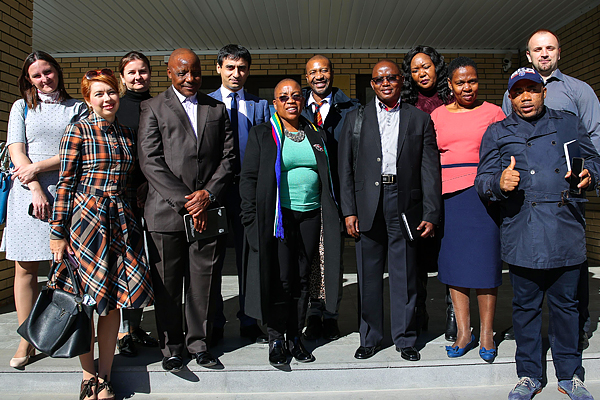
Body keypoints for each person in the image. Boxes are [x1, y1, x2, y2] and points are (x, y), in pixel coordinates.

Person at [476, 67, 597, 400]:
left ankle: (570, 375)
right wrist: (498, 183)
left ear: (544, 92)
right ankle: (529, 375)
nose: (525, 97)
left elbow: (594, 160)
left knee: (566, 308)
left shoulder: (569, 122)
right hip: (523, 228)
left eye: (531, 90)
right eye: (518, 92)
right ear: (510, 97)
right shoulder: (498, 132)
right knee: (525, 308)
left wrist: (590, 174)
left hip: (565, 227)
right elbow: (481, 181)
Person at [49, 68, 153, 400]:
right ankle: (87, 376)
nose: (107, 98)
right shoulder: (76, 131)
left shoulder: (126, 133)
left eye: (111, 92)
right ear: (88, 99)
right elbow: (65, 184)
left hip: (122, 224)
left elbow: (134, 180)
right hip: (86, 225)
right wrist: (57, 234)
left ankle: (105, 377)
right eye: (99, 94)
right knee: (85, 303)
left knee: (112, 305)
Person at [137, 48, 234, 372]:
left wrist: (207, 194)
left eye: (195, 72)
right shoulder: (151, 107)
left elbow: (229, 158)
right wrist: (187, 201)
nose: (190, 78)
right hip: (166, 214)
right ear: (169, 73)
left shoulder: (217, 108)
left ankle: (200, 345)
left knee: (204, 283)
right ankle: (173, 348)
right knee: (167, 285)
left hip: (208, 210)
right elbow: (150, 160)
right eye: (183, 73)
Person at [502, 29, 600, 348]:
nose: (544, 53)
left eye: (550, 48)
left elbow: (594, 139)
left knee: (572, 261)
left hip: (566, 192)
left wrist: (589, 173)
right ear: (528, 56)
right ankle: (527, 327)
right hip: (528, 193)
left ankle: (578, 325)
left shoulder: (579, 91)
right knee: (528, 259)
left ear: (559, 53)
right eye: (537, 49)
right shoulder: (512, 93)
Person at [338, 60, 441, 362]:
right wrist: (348, 211)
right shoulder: (355, 119)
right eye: (379, 79)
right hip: (367, 204)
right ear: (372, 84)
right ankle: (369, 337)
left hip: (404, 203)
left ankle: (405, 338)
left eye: (391, 78)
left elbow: (429, 169)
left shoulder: (419, 119)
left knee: (405, 274)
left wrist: (431, 212)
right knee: (369, 276)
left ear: (400, 82)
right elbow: (344, 169)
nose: (385, 83)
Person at [240, 78, 342, 366]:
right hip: (279, 218)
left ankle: (295, 337)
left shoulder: (315, 133)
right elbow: (248, 180)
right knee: (281, 279)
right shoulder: (263, 134)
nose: (291, 101)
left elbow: (327, 174)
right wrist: (250, 220)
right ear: (275, 103)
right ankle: (276, 338)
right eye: (284, 97)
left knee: (300, 278)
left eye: (296, 96)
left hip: (310, 215)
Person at [1, 51, 87, 369]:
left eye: (48, 72)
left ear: (57, 72)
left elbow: (74, 151)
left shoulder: (76, 107)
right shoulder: (21, 106)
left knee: (66, 267)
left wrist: (36, 168)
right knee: (25, 270)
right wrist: (35, 187)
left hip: (65, 193)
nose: (44, 79)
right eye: (36, 75)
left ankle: (66, 328)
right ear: (28, 79)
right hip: (27, 195)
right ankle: (28, 338)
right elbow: (15, 149)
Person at [430, 57, 505, 361]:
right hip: (449, 200)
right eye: (460, 82)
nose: (467, 87)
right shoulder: (437, 115)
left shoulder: (494, 113)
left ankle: (486, 333)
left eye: (472, 81)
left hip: (484, 199)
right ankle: (464, 332)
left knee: (486, 267)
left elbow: (505, 152)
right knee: (455, 268)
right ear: (449, 85)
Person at [208, 44, 270, 345]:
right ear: (219, 68)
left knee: (249, 259)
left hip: (248, 195)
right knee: (213, 260)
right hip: (215, 193)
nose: (236, 73)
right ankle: (215, 321)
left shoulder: (260, 106)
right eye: (230, 67)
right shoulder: (205, 104)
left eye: (242, 68)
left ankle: (249, 319)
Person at [301, 54, 360, 341]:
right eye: (313, 72)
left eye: (324, 70)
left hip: (337, 192)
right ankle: (313, 311)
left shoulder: (351, 109)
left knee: (332, 254)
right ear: (307, 76)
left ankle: (332, 313)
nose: (319, 76)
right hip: (305, 194)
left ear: (332, 74)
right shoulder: (295, 106)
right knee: (311, 253)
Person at [401, 45, 455, 340]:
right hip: (417, 191)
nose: (422, 73)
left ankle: (453, 312)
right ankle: (419, 311)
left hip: (450, 186)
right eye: (415, 69)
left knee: (449, 252)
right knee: (417, 256)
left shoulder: (452, 100)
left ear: (437, 68)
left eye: (427, 66)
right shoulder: (406, 103)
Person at [114, 50, 159, 357]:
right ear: (123, 77)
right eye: (131, 72)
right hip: (124, 195)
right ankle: (123, 330)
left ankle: (138, 324)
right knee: (126, 262)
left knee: (148, 261)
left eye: (142, 71)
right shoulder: (115, 106)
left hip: (154, 193)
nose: (138, 77)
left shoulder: (158, 105)